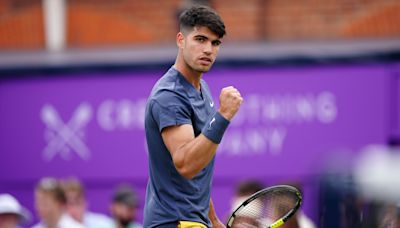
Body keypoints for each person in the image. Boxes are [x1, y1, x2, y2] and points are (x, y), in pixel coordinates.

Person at [143, 5, 243, 228]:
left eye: (215, 43)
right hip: (172, 222)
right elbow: (186, 164)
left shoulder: (202, 88)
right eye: (200, 39)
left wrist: (214, 220)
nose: (208, 49)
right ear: (181, 40)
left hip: (192, 221)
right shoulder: (169, 95)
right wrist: (223, 115)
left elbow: (196, 173)